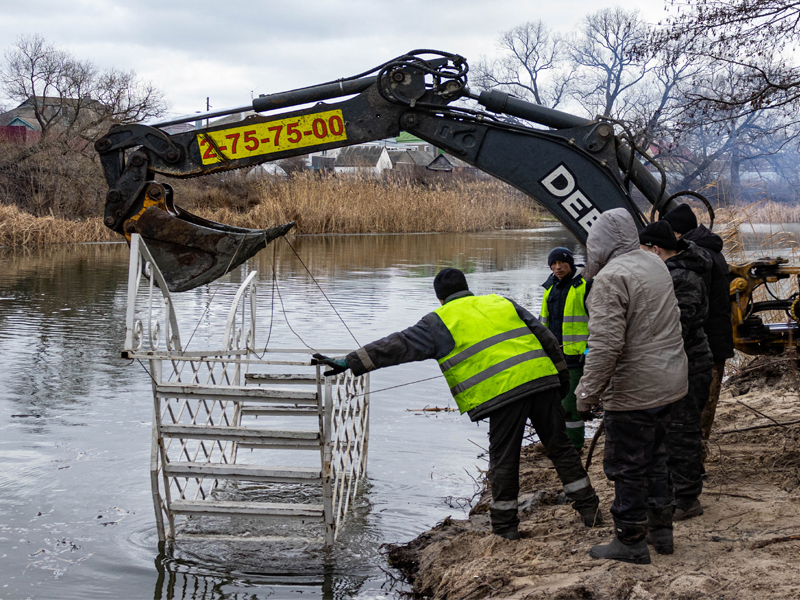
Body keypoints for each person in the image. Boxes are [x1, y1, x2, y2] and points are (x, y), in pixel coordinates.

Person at [313, 268, 603, 541]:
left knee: (504, 458)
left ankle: (505, 529)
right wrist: (562, 381)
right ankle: (590, 511)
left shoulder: (439, 320)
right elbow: (547, 338)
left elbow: (397, 345)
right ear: (467, 288)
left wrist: (349, 362)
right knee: (560, 447)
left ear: (440, 297)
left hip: (504, 394)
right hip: (543, 381)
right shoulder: (501, 302)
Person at [575, 209, 688, 565]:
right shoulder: (653, 262)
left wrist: (586, 393)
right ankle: (662, 532)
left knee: (627, 467)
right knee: (656, 459)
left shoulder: (611, 278)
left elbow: (606, 346)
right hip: (670, 382)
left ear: (600, 244)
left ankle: (630, 540)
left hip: (635, 391)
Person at [640, 220, 714, 525]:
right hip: (677, 363)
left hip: (687, 365)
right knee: (672, 432)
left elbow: (676, 329)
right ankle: (674, 492)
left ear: (656, 250)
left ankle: (687, 499)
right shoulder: (672, 273)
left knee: (682, 433)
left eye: (643, 251)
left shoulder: (682, 278)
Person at [662, 204, 734, 439]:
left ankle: (695, 460)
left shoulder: (697, 258)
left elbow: (690, 311)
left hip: (705, 346)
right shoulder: (711, 252)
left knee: (696, 410)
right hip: (716, 342)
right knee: (704, 407)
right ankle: (696, 456)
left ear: (678, 234)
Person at [539, 247, 591, 450]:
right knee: (554, 404)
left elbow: (597, 323)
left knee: (570, 406)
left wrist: (588, 353)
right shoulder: (550, 286)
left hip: (579, 357)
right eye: (553, 264)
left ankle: (575, 445)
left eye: (561, 263)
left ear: (570, 264)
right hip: (554, 356)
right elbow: (542, 321)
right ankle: (557, 441)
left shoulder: (584, 286)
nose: (557, 267)